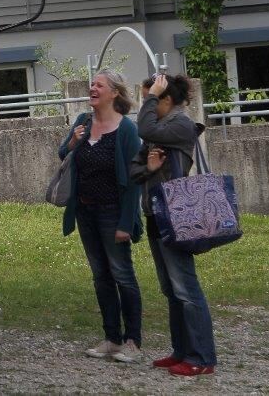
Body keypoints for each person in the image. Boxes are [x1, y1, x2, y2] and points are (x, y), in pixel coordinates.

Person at [131, 73, 218, 376]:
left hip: (178, 215)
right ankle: (182, 351)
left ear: (166, 100)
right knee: (171, 289)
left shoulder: (181, 124)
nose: (147, 105)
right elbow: (134, 168)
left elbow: (142, 126)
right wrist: (149, 167)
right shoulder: (159, 130)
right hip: (157, 215)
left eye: (151, 100)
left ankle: (201, 357)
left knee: (186, 288)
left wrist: (150, 96)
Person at [59, 69, 144, 363]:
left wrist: (125, 223)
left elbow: (135, 180)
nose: (92, 88)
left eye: (99, 85)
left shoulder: (127, 130)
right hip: (85, 211)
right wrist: (72, 143)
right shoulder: (82, 122)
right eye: (91, 84)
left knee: (123, 275)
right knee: (101, 277)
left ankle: (132, 342)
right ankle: (111, 338)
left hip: (113, 212)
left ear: (114, 93)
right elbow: (62, 153)